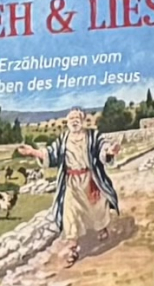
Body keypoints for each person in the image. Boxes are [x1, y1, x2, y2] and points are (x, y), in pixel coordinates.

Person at [49, 105, 120, 266]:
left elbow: (103, 147)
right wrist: (33, 153)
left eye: (77, 118)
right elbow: (50, 153)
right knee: (70, 212)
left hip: (90, 179)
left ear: (83, 120)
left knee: (96, 208)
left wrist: (109, 151)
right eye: (71, 118)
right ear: (67, 121)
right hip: (71, 182)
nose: (74, 121)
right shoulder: (64, 139)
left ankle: (101, 227)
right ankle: (72, 248)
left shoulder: (92, 136)